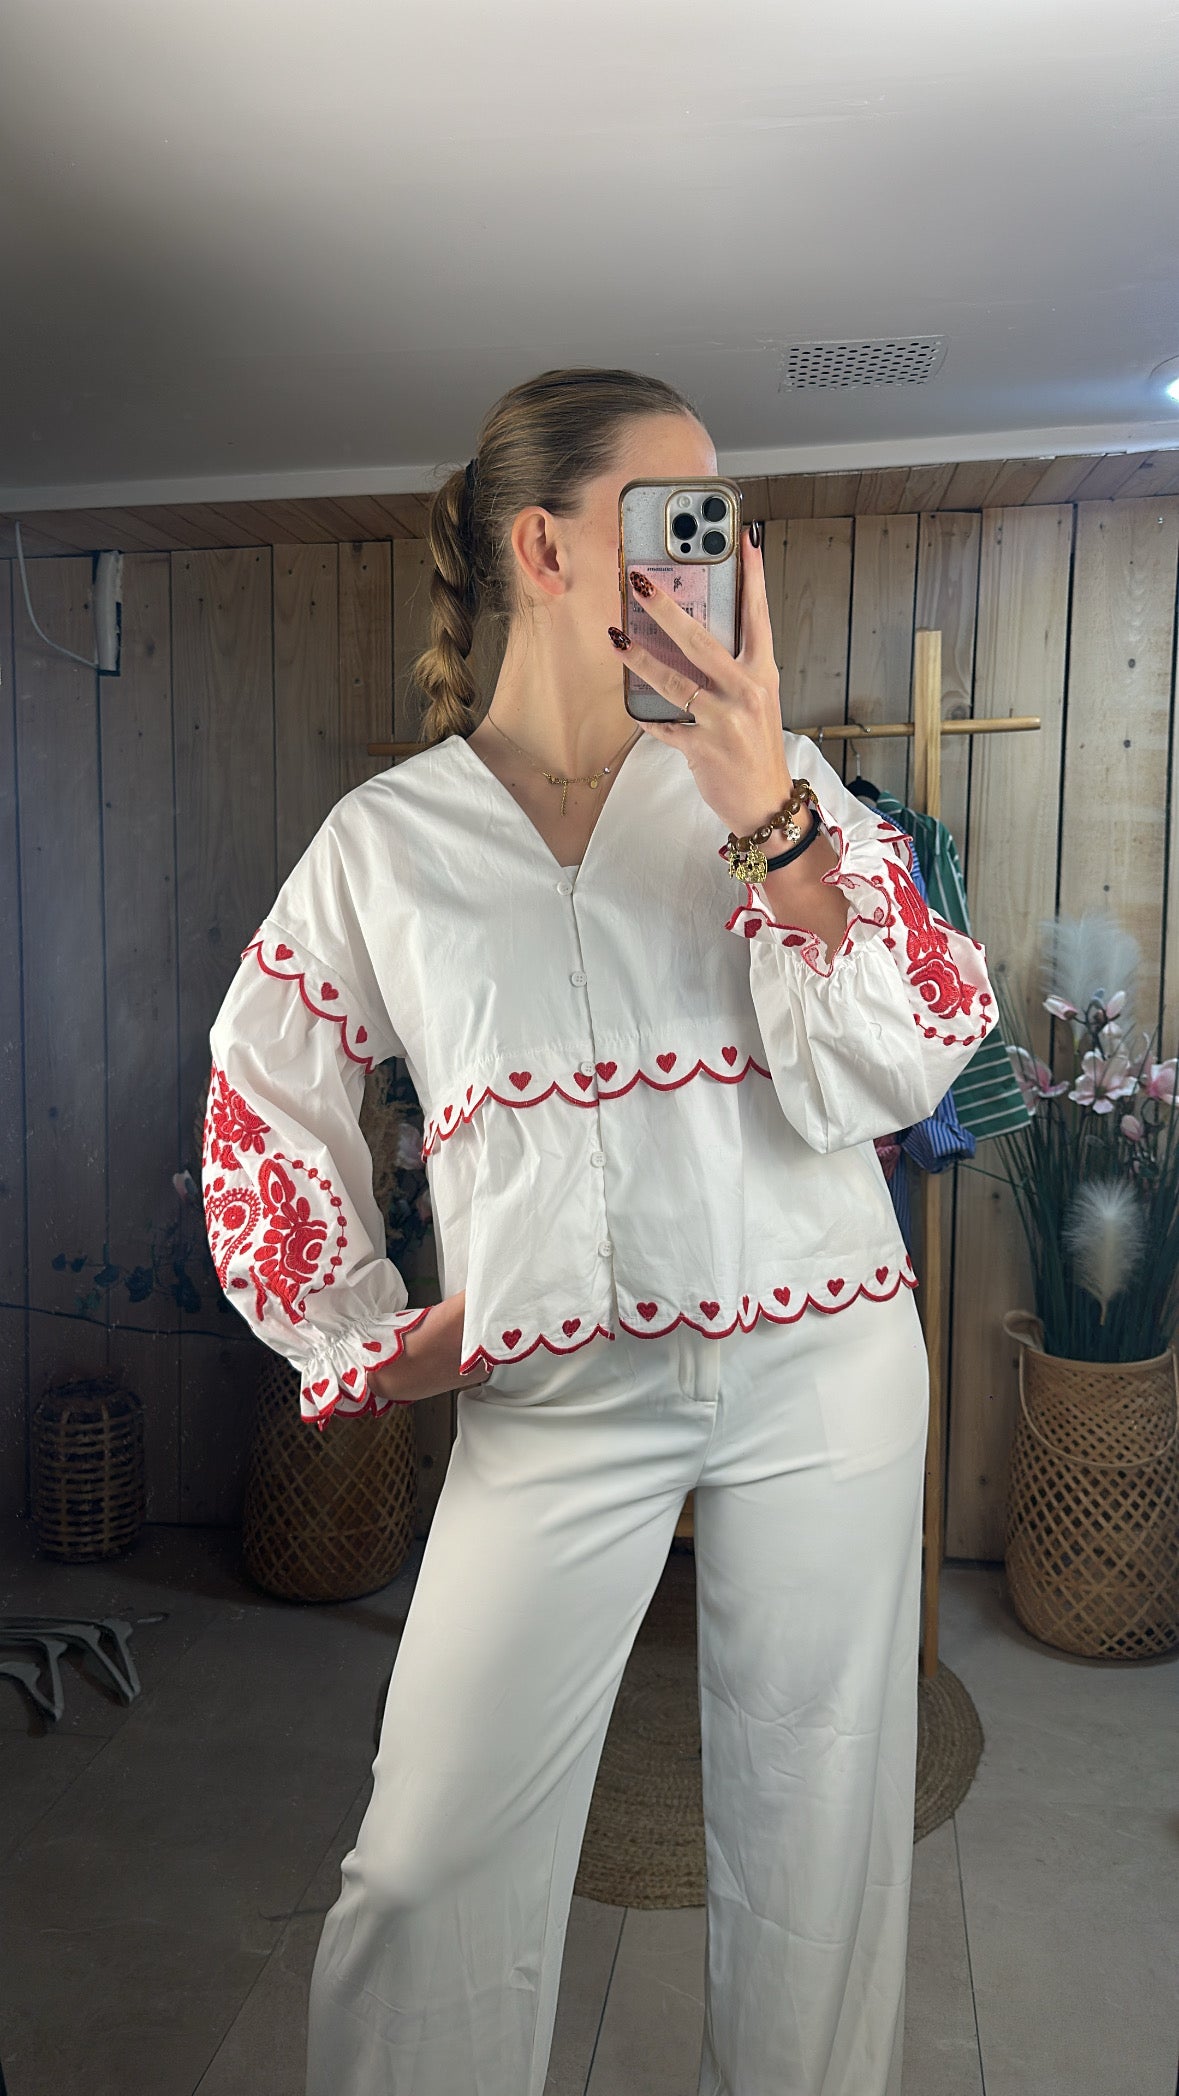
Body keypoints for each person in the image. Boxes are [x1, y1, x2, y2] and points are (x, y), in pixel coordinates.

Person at [203, 367, 998, 2095]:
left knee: (817, 1833)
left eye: (721, 519)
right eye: (668, 513)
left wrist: (770, 808)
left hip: (824, 1369)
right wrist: (352, 1327)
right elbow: (264, 1087)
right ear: (548, 549)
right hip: (550, 1398)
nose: (709, 549)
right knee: (424, 1864)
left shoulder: (771, 784)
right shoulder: (387, 842)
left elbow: (906, 1052)